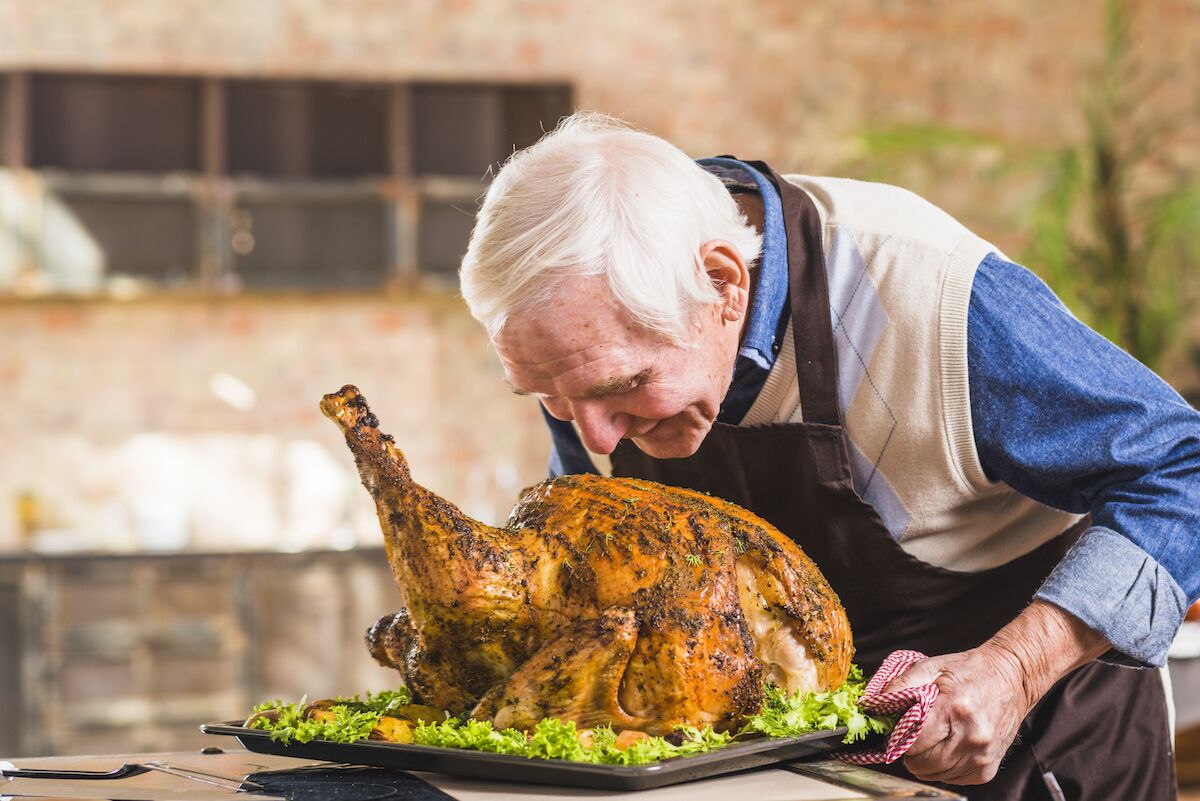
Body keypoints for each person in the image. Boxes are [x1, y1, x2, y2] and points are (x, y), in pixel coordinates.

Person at [458, 112, 1198, 799]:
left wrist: (1012, 670)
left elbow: (1180, 469)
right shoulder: (591, 352)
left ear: (721, 283)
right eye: (548, 397)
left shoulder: (924, 290)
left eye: (624, 386)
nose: (595, 441)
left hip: (1038, 745)